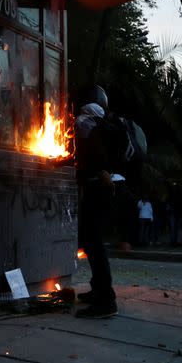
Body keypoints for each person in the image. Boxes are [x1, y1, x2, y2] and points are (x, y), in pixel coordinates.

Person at [74, 85, 119, 319]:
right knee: (90, 241)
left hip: (98, 191)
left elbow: (96, 162)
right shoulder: (99, 127)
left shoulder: (93, 126)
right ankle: (97, 289)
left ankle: (106, 299)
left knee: (94, 243)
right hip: (97, 190)